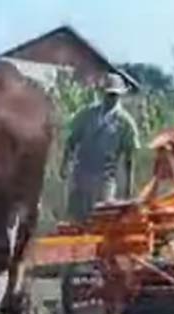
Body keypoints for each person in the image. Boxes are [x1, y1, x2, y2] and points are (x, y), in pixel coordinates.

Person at [60, 73, 140, 222]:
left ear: (120, 95)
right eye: (108, 94)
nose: (110, 98)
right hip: (81, 176)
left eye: (114, 95)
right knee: (75, 221)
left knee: (100, 222)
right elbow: (71, 140)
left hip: (105, 181)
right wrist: (65, 164)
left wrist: (128, 190)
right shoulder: (87, 114)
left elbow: (129, 159)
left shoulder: (125, 123)